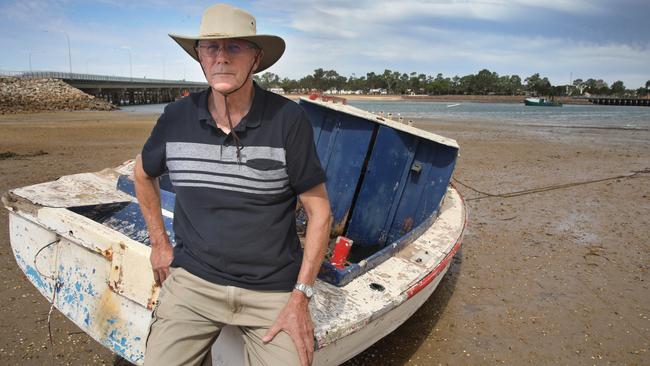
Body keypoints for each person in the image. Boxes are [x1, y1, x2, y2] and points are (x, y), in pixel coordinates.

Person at [134, 4, 332, 366]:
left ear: (256, 58)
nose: (221, 58)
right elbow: (142, 174)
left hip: (271, 290)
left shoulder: (288, 119)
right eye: (211, 48)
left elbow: (319, 211)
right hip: (194, 282)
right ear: (199, 57)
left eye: (234, 47)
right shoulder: (176, 117)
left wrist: (300, 296)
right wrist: (159, 244)